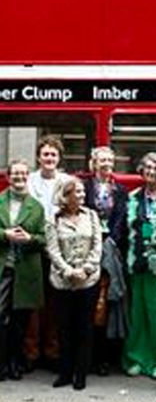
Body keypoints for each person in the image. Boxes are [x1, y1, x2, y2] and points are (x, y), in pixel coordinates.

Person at [45, 177, 102, 390]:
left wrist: (86, 270)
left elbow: (97, 246)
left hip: (88, 281)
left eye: (82, 191)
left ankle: (81, 373)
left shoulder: (92, 216)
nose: (82, 195)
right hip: (63, 281)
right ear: (66, 196)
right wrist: (68, 271)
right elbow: (52, 249)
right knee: (64, 327)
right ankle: (65, 372)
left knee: (84, 327)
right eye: (77, 192)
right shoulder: (54, 219)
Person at [123, 152, 156, 381]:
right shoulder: (133, 197)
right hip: (137, 262)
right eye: (147, 168)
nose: (151, 172)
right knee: (137, 314)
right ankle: (135, 359)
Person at [24, 135, 70, 371]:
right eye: (45, 154)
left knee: (56, 300)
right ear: (39, 157)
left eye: (53, 154)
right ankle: (31, 352)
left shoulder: (67, 180)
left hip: (60, 248)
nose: (49, 158)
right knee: (33, 301)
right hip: (34, 246)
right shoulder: (29, 180)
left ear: (59, 158)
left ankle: (53, 351)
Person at [84, 146, 128, 375]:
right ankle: (86, 357)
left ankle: (104, 358)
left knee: (108, 304)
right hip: (87, 249)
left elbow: (121, 219)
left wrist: (110, 240)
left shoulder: (119, 189)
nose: (106, 164)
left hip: (110, 250)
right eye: (102, 160)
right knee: (87, 303)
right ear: (93, 163)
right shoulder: (84, 186)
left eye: (110, 160)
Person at [0, 160, 46, 380]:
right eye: (15, 174)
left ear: (28, 176)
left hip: (26, 271)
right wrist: (4, 235)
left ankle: (15, 362)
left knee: (20, 321)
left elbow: (44, 238)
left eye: (23, 174)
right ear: (8, 177)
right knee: (1, 317)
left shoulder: (36, 206)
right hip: (4, 268)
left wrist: (29, 239)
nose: (19, 178)